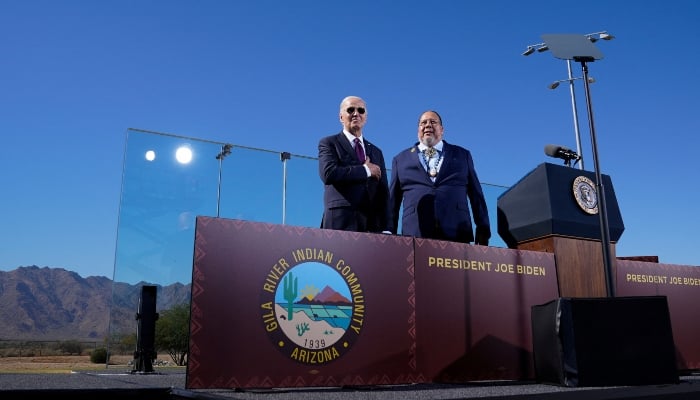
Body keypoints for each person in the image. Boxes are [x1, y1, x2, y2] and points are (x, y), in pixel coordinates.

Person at [389, 110, 490, 245]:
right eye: (423, 123)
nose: (428, 125)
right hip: (415, 235)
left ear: (441, 130)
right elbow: (392, 203)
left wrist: (483, 229)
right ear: (418, 130)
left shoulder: (462, 155)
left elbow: (476, 195)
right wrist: (389, 234)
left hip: (457, 232)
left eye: (433, 122)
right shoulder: (400, 159)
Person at [318, 96, 391, 233]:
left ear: (366, 117)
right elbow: (329, 173)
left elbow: (383, 193)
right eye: (350, 109)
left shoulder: (376, 152)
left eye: (361, 110)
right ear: (341, 117)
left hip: (371, 226)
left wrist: (387, 227)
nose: (356, 113)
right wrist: (365, 171)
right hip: (339, 222)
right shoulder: (329, 143)